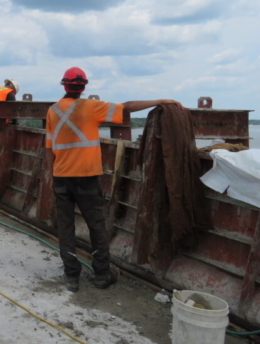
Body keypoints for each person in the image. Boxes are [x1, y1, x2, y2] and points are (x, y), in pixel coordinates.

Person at [46, 67, 183, 292]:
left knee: (65, 225)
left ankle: (71, 276)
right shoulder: (91, 107)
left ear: (64, 85)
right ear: (83, 87)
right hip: (88, 177)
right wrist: (162, 100)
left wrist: (52, 177)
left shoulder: (52, 111)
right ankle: (101, 274)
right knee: (96, 225)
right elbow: (127, 107)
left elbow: (48, 149)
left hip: (62, 177)